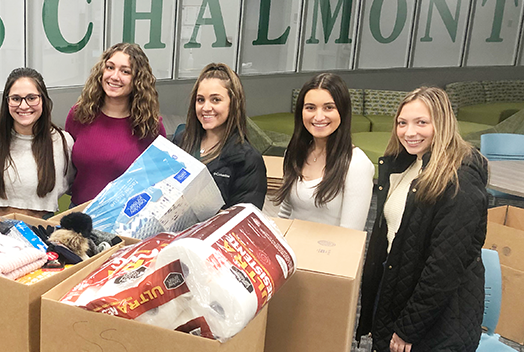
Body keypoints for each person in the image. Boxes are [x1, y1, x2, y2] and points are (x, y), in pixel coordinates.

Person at [355, 87, 488, 352]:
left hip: (432, 317)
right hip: (397, 302)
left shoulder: (460, 180)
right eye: (402, 122)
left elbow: (443, 268)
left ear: (442, 124)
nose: (409, 131)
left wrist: (408, 327)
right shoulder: (408, 164)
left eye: (421, 122)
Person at [65, 42, 166, 206]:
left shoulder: (150, 127)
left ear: (137, 80)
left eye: (125, 71)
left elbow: (160, 182)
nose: (114, 76)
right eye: (110, 67)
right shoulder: (79, 115)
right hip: (78, 215)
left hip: (124, 223)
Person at [273, 73, 374, 230]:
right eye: (310, 108)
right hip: (290, 250)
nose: (319, 117)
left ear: (343, 111)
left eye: (329, 107)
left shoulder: (356, 164)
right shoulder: (294, 153)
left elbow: (350, 235)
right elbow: (286, 212)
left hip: (327, 252)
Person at [0, 67, 73, 218]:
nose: (23, 106)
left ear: (43, 99)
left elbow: (69, 183)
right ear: (7, 101)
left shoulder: (63, 141)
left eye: (31, 98)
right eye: (15, 98)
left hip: (40, 233)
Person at [172, 63, 266, 209]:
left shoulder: (247, 160)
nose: (206, 108)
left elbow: (243, 220)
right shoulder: (181, 142)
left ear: (233, 104)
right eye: (200, 100)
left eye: (215, 100)